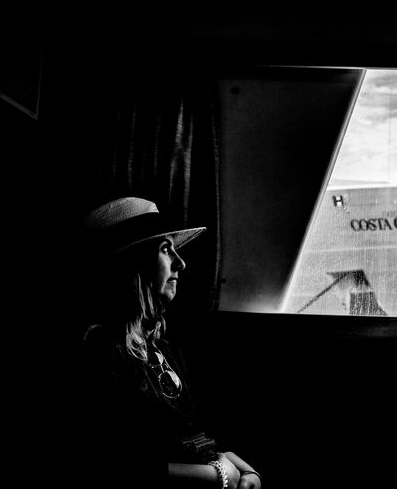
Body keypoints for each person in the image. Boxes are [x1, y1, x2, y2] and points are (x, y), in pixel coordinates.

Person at [74, 197, 261, 489]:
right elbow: (110, 466)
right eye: (165, 249)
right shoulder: (100, 350)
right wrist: (219, 476)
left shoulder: (160, 347)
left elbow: (188, 433)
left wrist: (238, 466)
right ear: (133, 264)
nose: (181, 262)